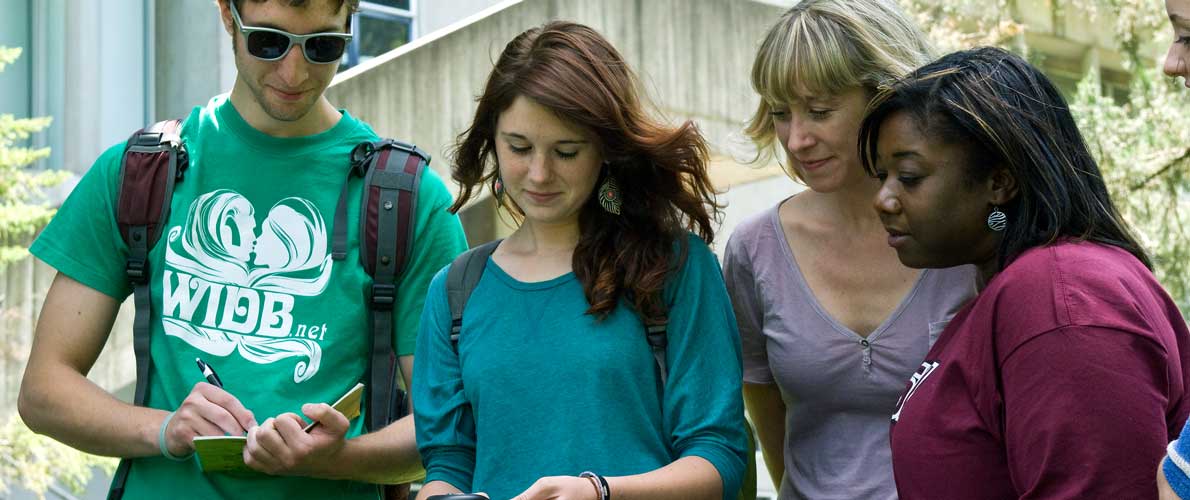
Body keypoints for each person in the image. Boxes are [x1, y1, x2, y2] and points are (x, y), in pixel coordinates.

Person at [16, 0, 468, 498]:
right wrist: (167, 429)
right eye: (268, 41)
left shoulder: (406, 200)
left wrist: (335, 459)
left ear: (349, 24)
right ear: (226, 15)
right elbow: (43, 392)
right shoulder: (141, 174)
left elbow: (447, 434)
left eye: (322, 46)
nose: (294, 71)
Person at [412, 21, 748, 500]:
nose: (540, 173)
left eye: (566, 151)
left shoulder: (674, 266)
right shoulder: (455, 291)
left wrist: (601, 492)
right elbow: (447, 463)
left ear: (607, 150)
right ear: (493, 140)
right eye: (519, 148)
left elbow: (719, 456)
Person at [859, 46, 1190, 499]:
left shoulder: (1061, 301)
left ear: (1000, 180)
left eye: (909, 176)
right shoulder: (1031, 287)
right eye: (881, 177)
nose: (884, 199)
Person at [723, 1, 976, 498]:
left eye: (820, 111)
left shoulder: (974, 238)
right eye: (780, 113)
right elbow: (763, 412)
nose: (796, 139)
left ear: (887, 96)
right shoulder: (754, 250)